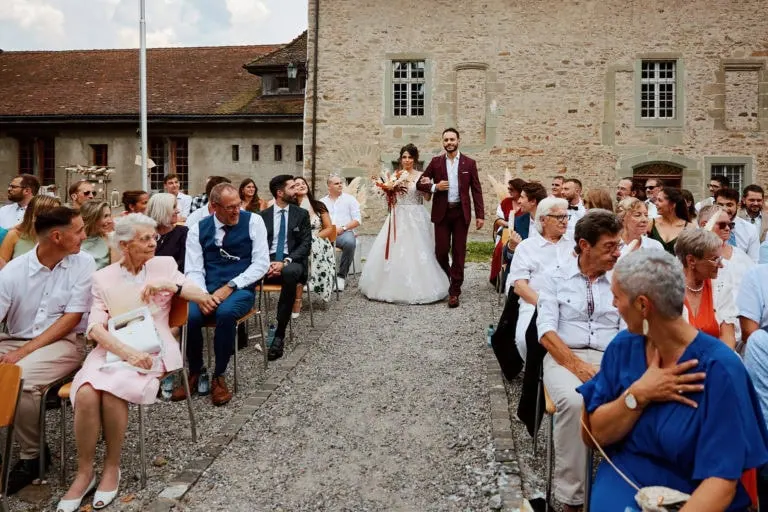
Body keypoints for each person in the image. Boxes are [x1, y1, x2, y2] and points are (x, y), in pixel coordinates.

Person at [577, 249, 768, 512]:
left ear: (643, 305)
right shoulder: (624, 348)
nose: (613, 305)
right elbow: (592, 434)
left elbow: (722, 482)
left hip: (690, 493)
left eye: (617, 297)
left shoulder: (720, 370)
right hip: (625, 479)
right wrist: (637, 395)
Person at [57, 214, 216, 512]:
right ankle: (84, 472)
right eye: (145, 239)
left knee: (113, 390)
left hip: (153, 345)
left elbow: (201, 296)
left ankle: (112, 466)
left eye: (154, 237)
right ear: (125, 245)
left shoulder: (164, 265)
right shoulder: (103, 277)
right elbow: (95, 327)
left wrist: (168, 284)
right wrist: (125, 352)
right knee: (88, 391)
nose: (153, 243)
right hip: (113, 347)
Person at [0, 207, 95, 494]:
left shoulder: (84, 262)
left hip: (65, 342)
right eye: (79, 231)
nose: (84, 235)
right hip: (14, 339)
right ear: (56, 236)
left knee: (21, 379)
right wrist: (15, 350)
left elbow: (72, 318)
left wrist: (22, 353)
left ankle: (33, 456)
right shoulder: (14, 271)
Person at [536, 209, 624, 511]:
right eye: (609, 247)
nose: (617, 253)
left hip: (611, 357)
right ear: (585, 245)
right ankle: (572, 498)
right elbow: (546, 333)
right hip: (564, 356)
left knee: (633, 400)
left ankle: (621, 492)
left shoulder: (622, 279)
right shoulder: (555, 277)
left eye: (618, 245)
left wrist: (612, 368)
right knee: (575, 402)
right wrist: (578, 366)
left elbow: (629, 331)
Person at [177, 183, 270, 405]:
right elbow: (193, 269)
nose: (237, 211)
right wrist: (202, 296)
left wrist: (231, 285)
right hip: (206, 289)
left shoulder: (254, 222)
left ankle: (219, 375)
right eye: (230, 207)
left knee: (225, 314)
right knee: (189, 316)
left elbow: (261, 264)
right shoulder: (198, 229)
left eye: (238, 205)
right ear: (214, 206)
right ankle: (196, 370)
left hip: (240, 288)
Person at [360, 144, 449, 304]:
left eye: (410, 157)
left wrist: (428, 186)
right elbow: (392, 200)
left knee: (420, 248)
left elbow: (427, 198)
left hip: (416, 215)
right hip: (398, 215)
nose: (407, 160)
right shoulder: (394, 175)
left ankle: (424, 286)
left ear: (415, 159)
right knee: (395, 248)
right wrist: (388, 192)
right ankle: (390, 286)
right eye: (404, 157)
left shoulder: (421, 176)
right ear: (400, 159)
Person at [416, 127, 485, 307]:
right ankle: (448, 278)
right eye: (446, 140)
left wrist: (480, 215)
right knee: (441, 251)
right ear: (443, 142)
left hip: (461, 213)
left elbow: (476, 190)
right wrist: (435, 187)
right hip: (442, 213)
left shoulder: (469, 163)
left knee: (459, 252)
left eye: (452, 139)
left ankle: (455, 291)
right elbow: (419, 184)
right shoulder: (436, 162)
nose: (449, 143)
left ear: (458, 141)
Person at [506, 196, 572, 362]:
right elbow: (520, 286)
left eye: (566, 216)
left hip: (570, 303)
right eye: (559, 217)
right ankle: (534, 370)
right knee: (524, 340)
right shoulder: (527, 247)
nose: (565, 221)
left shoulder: (574, 244)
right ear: (543, 220)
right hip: (535, 303)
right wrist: (545, 305)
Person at [259, 175, 312, 360]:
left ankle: (279, 334)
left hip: (292, 261)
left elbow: (305, 245)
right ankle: (239, 331)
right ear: (280, 193)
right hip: (267, 260)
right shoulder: (262, 216)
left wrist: (286, 261)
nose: (296, 190)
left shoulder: (301, 214)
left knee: (289, 274)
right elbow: (257, 244)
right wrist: (265, 263)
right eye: (292, 187)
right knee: (245, 273)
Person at [699, 205, 753, 345]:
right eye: (722, 225)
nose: (728, 228)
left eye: (731, 225)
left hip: (741, 332)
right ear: (704, 225)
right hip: (708, 329)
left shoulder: (742, 257)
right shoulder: (695, 260)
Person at [675, 228, 737, 348]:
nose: (721, 265)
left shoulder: (719, 286)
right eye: (715, 259)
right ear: (691, 260)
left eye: (720, 259)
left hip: (715, 356)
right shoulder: (667, 290)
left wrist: (718, 358)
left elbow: (728, 336)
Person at [292, 176, 335, 311]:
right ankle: (297, 297)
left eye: (303, 183)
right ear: (292, 189)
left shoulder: (318, 205)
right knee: (298, 257)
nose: (301, 185)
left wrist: (313, 238)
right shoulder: (291, 208)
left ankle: (314, 286)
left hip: (319, 241)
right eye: (297, 184)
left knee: (309, 249)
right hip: (298, 242)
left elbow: (329, 228)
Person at [497, 182, 547, 293]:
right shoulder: (517, 222)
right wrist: (511, 248)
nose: (519, 201)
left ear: (533, 201)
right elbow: (505, 256)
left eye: (522, 197)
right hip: (521, 275)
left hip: (545, 276)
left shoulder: (550, 223)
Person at [321, 174, 361, 292]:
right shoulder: (322, 202)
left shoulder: (350, 199)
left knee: (350, 242)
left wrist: (343, 228)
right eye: (336, 183)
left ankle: (341, 277)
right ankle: (318, 278)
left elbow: (357, 220)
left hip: (343, 232)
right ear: (329, 186)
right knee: (312, 243)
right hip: (326, 233)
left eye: (340, 183)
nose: (340, 185)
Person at [0, 195, 62, 266]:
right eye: (52, 214)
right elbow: (2, 266)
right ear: (34, 215)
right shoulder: (14, 235)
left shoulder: (59, 237)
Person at [489, 178, 526, 285]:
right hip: (507, 231)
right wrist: (508, 223)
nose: (509, 191)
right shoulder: (506, 202)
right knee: (500, 248)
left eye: (511, 189)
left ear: (519, 190)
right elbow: (498, 220)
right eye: (508, 188)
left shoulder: (526, 203)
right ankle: (498, 277)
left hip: (523, 231)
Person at [715, 187, 759, 262]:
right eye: (720, 205)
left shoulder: (750, 229)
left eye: (729, 205)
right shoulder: (708, 228)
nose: (724, 209)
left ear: (738, 205)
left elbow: (754, 260)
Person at [147, 192, 188, 272]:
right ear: (161, 211)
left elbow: (183, 265)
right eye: (173, 207)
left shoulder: (183, 233)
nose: (178, 211)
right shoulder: (144, 234)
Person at [647, 186, 691, 254]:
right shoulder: (650, 223)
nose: (656, 203)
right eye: (656, 200)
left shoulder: (689, 227)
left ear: (673, 204)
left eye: (660, 200)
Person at [80, 200, 116, 270]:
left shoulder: (111, 239)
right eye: (105, 216)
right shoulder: (76, 243)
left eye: (109, 215)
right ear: (92, 218)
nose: (110, 221)